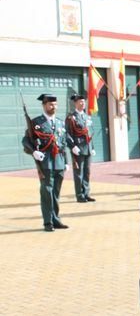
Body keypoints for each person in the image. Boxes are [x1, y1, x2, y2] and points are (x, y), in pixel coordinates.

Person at [21, 94, 69, 232]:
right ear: (44, 105)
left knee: (55, 193)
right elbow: (26, 141)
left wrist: (66, 161)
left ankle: (56, 219)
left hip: (59, 162)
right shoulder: (36, 123)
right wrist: (33, 152)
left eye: (55, 104)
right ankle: (48, 222)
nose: (53, 107)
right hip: (46, 162)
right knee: (47, 192)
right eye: (50, 105)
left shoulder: (60, 122)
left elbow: (63, 143)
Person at [65, 94, 96, 203]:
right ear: (75, 103)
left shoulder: (87, 117)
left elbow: (90, 132)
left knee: (87, 172)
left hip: (87, 148)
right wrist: (73, 146)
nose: (83, 104)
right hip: (78, 148)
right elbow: (67, 134)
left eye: (84, 102)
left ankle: (86, 193)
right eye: (80, 102)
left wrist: (92, 147)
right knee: (79, 173)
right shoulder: (71, 118)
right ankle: (79, 195)